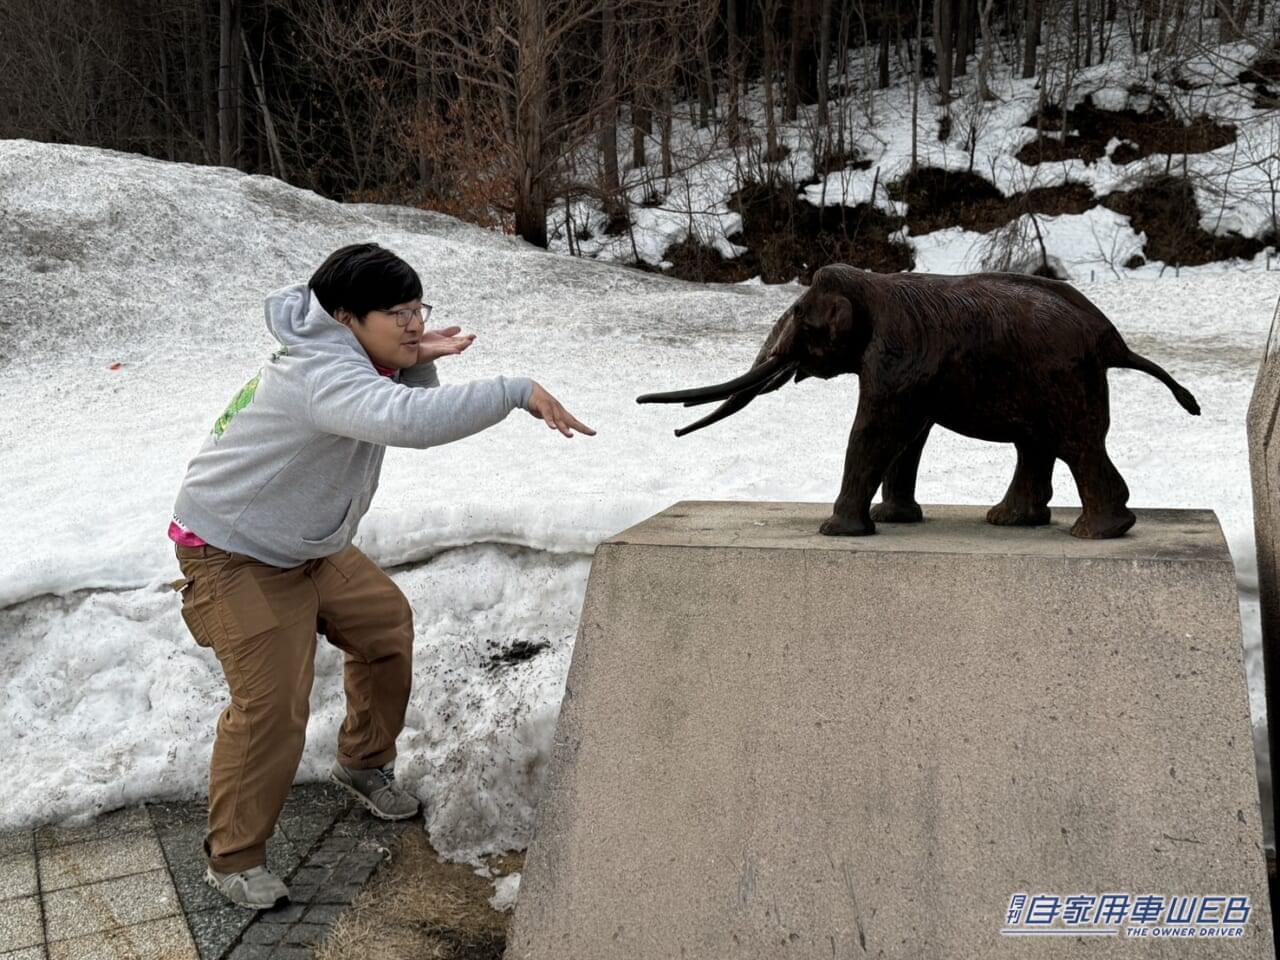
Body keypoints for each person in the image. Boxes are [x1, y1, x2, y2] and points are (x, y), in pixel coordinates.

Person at [169, 242, 593, 909]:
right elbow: (403, 422)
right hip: (232, 552)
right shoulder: (318, 372)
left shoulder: (349, 357)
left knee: (384, 625)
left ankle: (362, 764)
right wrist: (516, 391)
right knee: (273, 706)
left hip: (306, 545)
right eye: (396, 312)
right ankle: (234, 858)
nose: (415, 322)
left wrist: (412, 360)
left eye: (419, 307)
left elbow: (391, 403)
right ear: (345, 317)